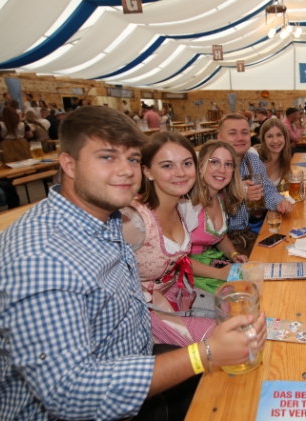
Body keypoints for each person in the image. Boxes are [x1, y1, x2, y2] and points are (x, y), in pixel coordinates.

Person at [0, 106, 267, 421]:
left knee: (238, 405)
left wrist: (13, 348)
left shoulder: (106, 217)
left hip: (130, 365)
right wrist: (203, 353)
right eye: (107, 157)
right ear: (68, 164)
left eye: (131, 158)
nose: (126, 170)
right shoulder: (40, 257)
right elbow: (70, 392)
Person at [123, 132, 238, 346]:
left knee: (239, 311)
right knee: (230, 338)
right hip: (144, 313)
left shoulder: (179, 205)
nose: (181, 173)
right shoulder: (134, 218)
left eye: (186, 163)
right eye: (167, 165)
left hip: (176, 294)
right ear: (147, 171)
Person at [218, 114, 293, 255]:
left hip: (245, 234)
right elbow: (205, 203)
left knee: (284, 250)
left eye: (244, 132)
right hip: (220, 242)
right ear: (220, 138)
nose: (240, 138)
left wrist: (279, 202)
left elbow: (268, 190)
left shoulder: (252, 160)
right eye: (233, 133)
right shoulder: (212, 165)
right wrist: (238, 192)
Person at [186, 140, 249, 293]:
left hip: (211, 262)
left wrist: (233, 254)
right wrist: (219, 274)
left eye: (228, 164)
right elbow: (175, 260)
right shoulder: (186, 202)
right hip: (188, 273)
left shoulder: (220, 197)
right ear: (200, 165)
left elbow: (219, 237)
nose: (222, 170)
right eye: (214, 162)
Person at [256, 118, 292, 190]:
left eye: (279, 135)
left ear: (285, 137)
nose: (275, 141)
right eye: (269, 136)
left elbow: (281, 190)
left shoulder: (284, 162)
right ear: (263, 139)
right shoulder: (254, 157)